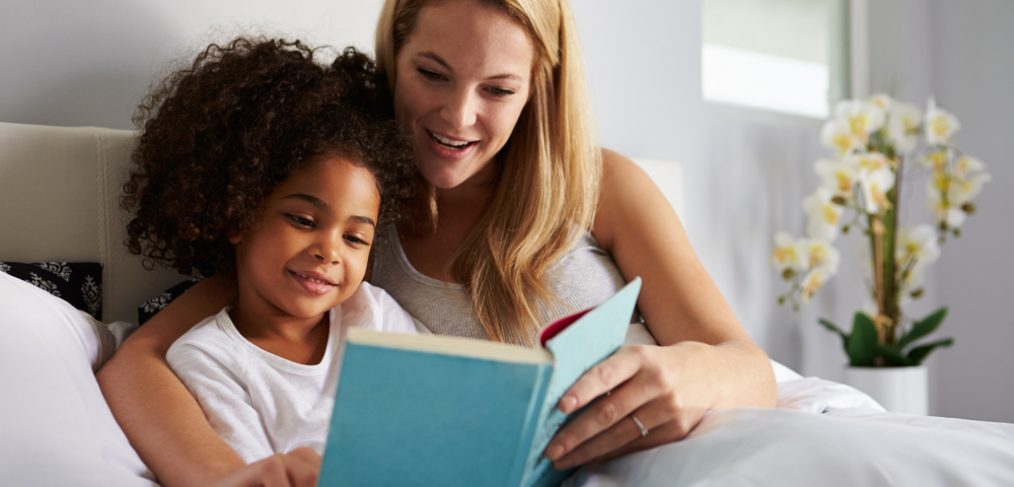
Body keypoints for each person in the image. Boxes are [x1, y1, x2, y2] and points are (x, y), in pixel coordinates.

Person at [99, 1, 777, 485]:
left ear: (539, 86)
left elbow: (750, 365)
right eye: (431, 73)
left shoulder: (602, 188)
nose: (458, 117)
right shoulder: (348, 196)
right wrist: (231, 477)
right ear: (395, 52)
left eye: (499, 89)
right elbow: (141, 360)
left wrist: (685, 374)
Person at [116, 37, 421, 476]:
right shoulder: (208, 356)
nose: (329, 251)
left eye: (355, 238)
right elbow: (252, 474)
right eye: (302, 219)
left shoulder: (375, 316)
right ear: (237, 217)